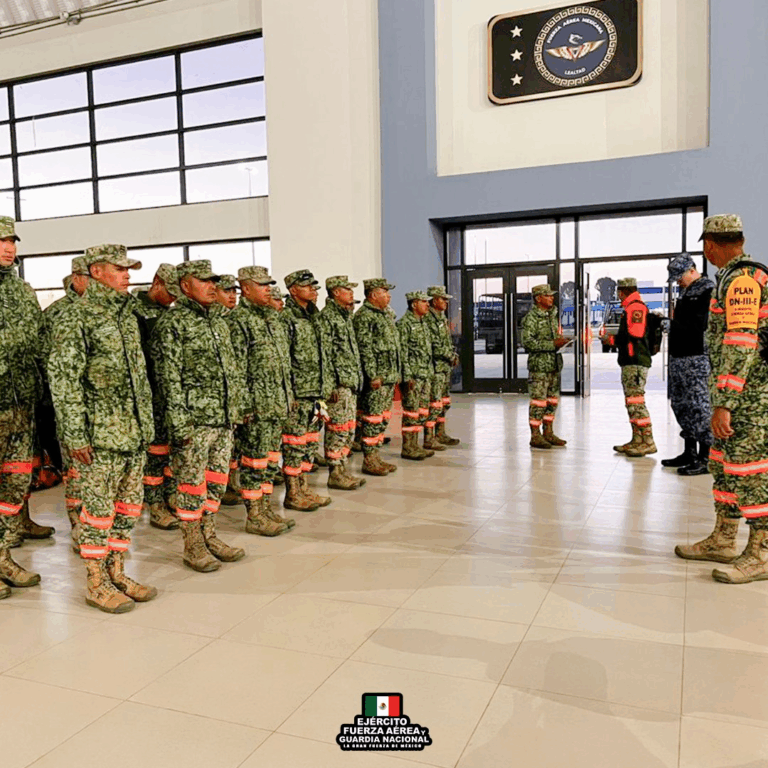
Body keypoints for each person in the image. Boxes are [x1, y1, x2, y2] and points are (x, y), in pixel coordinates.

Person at [49, 244, 156, 613]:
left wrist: (146, 426)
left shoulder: (126, 315)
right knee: (97, 512)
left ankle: (117, 573)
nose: (128, 274)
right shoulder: (76, 317)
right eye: (120, 268)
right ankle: (96, 582)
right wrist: (76, 435)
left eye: (129, 269)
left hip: (133, 433)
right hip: (100, 437)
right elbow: (65, 381)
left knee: (127, 509)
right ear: (96, 272)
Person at [676, 214, 768, 584]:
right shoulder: (733, 277)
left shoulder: (742, 280)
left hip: (749, 400)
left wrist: (725, 401)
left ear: (711, 244)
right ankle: (725, 538)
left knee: (751, 472)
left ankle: (762, 552)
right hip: (735, 394)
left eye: (705, 245)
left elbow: (741, 342)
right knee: (723, 465)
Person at [152, 260, 245, 572]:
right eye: (203, 281)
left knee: (216, 481)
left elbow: (232, 369)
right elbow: (168, 379)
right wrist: (179, 424)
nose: (211, 286)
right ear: (184, 285)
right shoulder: (173, 323)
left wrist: (236, 408)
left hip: (222, 418)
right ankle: (192, 544)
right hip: (194, 421)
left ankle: (210, 535)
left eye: (213, 281)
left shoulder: (218, 321)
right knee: (191, 485)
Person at [227, 266, 293, 531]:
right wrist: (243, 407)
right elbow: (236, 370)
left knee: (269, 461)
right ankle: (254, 515)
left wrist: (288, 396)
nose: (268, 289)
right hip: (256, 407)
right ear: (246, 288)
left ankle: (266, 509)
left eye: (269, 285)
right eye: (262, 285)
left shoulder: (272, 319)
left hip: (277, 404)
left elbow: (281, 363)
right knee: (254, 462)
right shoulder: (238, 320)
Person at [0, 216, 44, 598]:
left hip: (21, 405)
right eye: (1, 241)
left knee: (14, 484)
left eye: (12, 240)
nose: (9, 247)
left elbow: (38, 343)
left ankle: (2, 556)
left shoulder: (21, 291)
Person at [41, 256, 90, 551]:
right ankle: (77, 523)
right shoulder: (59, 313)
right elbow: (51, 363)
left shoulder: (102, 312)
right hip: (70, 406)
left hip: (102, 411)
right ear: (76, 278)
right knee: (76, 472)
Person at [133, 264, 181, 531]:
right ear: (156, 283)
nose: (173, 298)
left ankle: (171, 494)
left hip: (170, 394)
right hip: (150, 394)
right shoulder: (135, 312)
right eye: (170, 291)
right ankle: (155, 504)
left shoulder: (172, 314)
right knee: (155, 451)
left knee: (172, 450)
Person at [280, 269, 332, 510]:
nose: (313, 289)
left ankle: (304, 488)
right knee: (294, 444)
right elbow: (283, 360)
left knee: (309, 442)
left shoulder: (315, 316)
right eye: (307, 286)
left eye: (314, 286)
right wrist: (289, 394)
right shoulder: (286, 317)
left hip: (316, 392)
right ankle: (292, 493)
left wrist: (326, 385)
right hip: (298, 393)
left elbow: (324, 355)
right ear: (293, 290)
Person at [662, 255, 714, 475]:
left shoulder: (707, 291)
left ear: (692, 270)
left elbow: (699, 325)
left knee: (699, 407)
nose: (678, 282)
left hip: (696, 358)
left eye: (679, 277)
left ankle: (706, 457)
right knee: (682, 404)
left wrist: (673, 325)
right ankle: (689, 452)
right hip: (680, 357)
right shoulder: (686, 293)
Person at [318, 276, 366, 490]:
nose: (351, 293)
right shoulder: (327, 318)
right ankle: (335, 472)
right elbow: (325, 354)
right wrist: (329, 386)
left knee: (347, 429)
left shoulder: (345, 316)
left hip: (350, 383)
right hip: (338, 385)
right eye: (347, 290)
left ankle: (343, 468)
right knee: (337, 429)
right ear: (336, 292)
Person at [352, 279, 400, 474]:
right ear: (372, 295)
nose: (388, 295)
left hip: (388, 376)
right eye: (385, 292)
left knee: (382, 418)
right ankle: (369, 460)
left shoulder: (385, 315)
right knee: (372, 419)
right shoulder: (364, 316)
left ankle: (377, 457)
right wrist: (373, 375)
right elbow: (365, 348)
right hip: (377, 378)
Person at [521, 284, 569, 450]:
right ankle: (535, 436)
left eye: (552, 295)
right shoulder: (531, 319)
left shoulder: (552, 316)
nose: (552, 298)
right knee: (538, 402)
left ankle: (548, 432)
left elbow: (554, 338)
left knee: (552, 401)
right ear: (538, 298)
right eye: (548, 295)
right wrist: (552, 344)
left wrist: (561, 342)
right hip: (539, 367)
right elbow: (527, 343)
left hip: (554, 365)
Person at [613, 277, 656, 457]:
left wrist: (613, 340)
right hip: (631, 361)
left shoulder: (635, 307)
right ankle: (637, 439)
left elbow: (636, 333)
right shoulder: (630, 307)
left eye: (619, 292)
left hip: (635, 361)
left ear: (622, 291)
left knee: (637, 402)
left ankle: (648, 441)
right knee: (631, 402)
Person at [398, 291, 435, 461]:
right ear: (414, 305)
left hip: (425, 374)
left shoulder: (423, 323)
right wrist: (406, 377)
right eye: (423, 302)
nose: (428, 305)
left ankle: (416, 445)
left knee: (421, 412)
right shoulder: (404, 324)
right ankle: (408, 447)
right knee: (411, 412)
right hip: (413, 376)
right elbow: (402, 353)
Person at [424, 286, 461, 448]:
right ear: (433, 300)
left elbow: (446, 342)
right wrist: (450, 355)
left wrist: (453, 353)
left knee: (444, 403)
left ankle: (441, 433)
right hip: (435, 368)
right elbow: (433, 346)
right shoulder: (428, 319)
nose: (446, 302)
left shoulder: (441, 318)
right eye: (442, 299)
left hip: (444, 368)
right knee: (434, 403)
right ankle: (429, 437)